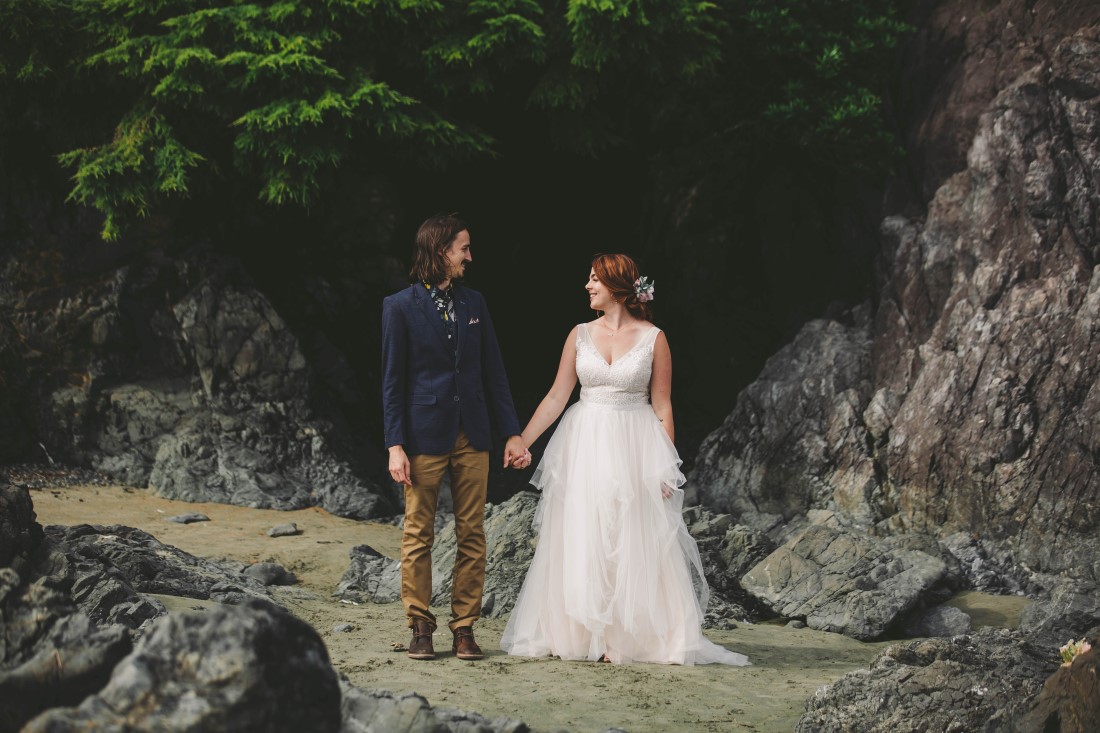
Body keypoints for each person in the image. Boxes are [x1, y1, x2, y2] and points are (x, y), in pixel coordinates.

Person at [500, 253, 749, 666]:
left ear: (617, 288)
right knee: (585, 532)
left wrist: (665, 467)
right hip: (585, 441)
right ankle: (582, 633)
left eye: (594, 279)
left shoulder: (655, 339)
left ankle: (627, 638)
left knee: (632, 534)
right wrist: (522, 440)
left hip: (635, 441)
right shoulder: (579, 334)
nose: (587, 286)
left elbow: (663, 406)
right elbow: (557, 396)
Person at [381, 213, 527, 661]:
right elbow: (392, 380)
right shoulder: (399, 306)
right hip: (422, 435)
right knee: (418, 532)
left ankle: (464, 627)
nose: (469, 255)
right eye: (463, 248)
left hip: (475, 433)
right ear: (441, 250)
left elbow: (494, 372)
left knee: (473, 532)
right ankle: (420, 625)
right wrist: (395, 445)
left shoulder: (475, 303)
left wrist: (511, 433)